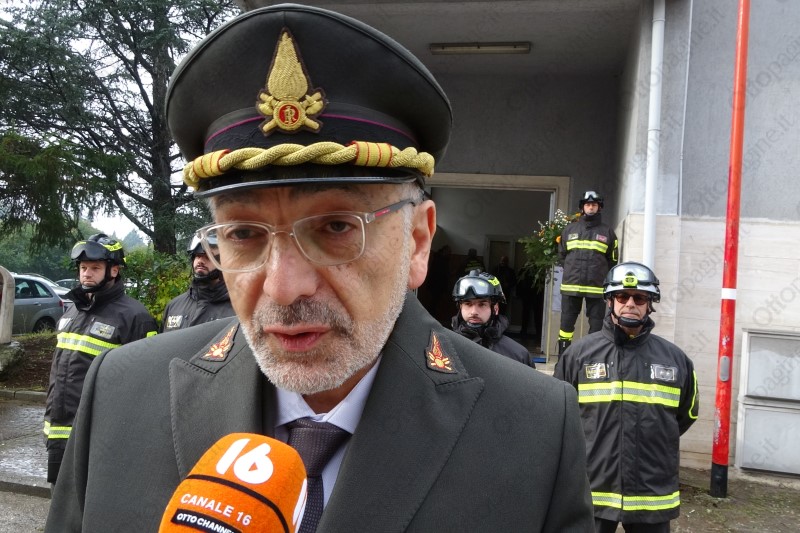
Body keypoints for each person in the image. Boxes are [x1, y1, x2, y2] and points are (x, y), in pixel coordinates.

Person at [46, 5, 594, 532]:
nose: (284, 288)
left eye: (335, 227)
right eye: (243, 234)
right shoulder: (121, 393)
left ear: (418, 241)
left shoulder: (535, 429)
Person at [554, 262, 699, 533]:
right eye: (622, 296)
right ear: (610, 301)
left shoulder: (676, 360)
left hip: (651, 494)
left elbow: (686, 414)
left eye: (639, 298)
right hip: (593, 489)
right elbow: (559, 415)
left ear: (650, 304)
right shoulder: (578, 355)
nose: (630, 303)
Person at [43, 233, 157, 485]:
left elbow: (145, 384)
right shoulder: (72, 311)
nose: (87, 274)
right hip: (59, 433)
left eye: (95, 268)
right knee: (60, 502)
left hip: (99, 437)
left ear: (114, 271)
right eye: (83, 268)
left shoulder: (136, 317)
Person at [557, 190, 618, 354]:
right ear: (582, 207)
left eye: (594, 205)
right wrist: (571, 269)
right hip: (571, 286)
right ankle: (563, 358)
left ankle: (592, 358)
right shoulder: (569, 230)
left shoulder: (608, 232)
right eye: (588, 204)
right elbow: (561, 255)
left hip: (596, 288)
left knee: (596, 327)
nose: (591, 207)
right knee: (566, 326)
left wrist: (599, 273)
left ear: (599, 207)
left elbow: (612, 260)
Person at [450, 270, 533, 367]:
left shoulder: (519, 355)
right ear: (460, 307)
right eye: (468, 304)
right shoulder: (443, 348)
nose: (473, 312)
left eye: (482, 304)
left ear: (495, 308)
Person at [161, 235, 235, 332]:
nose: (200, 261)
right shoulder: (174, 306)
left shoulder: (238, 309)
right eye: (197, 256)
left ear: (222, 263)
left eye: (207, 256)